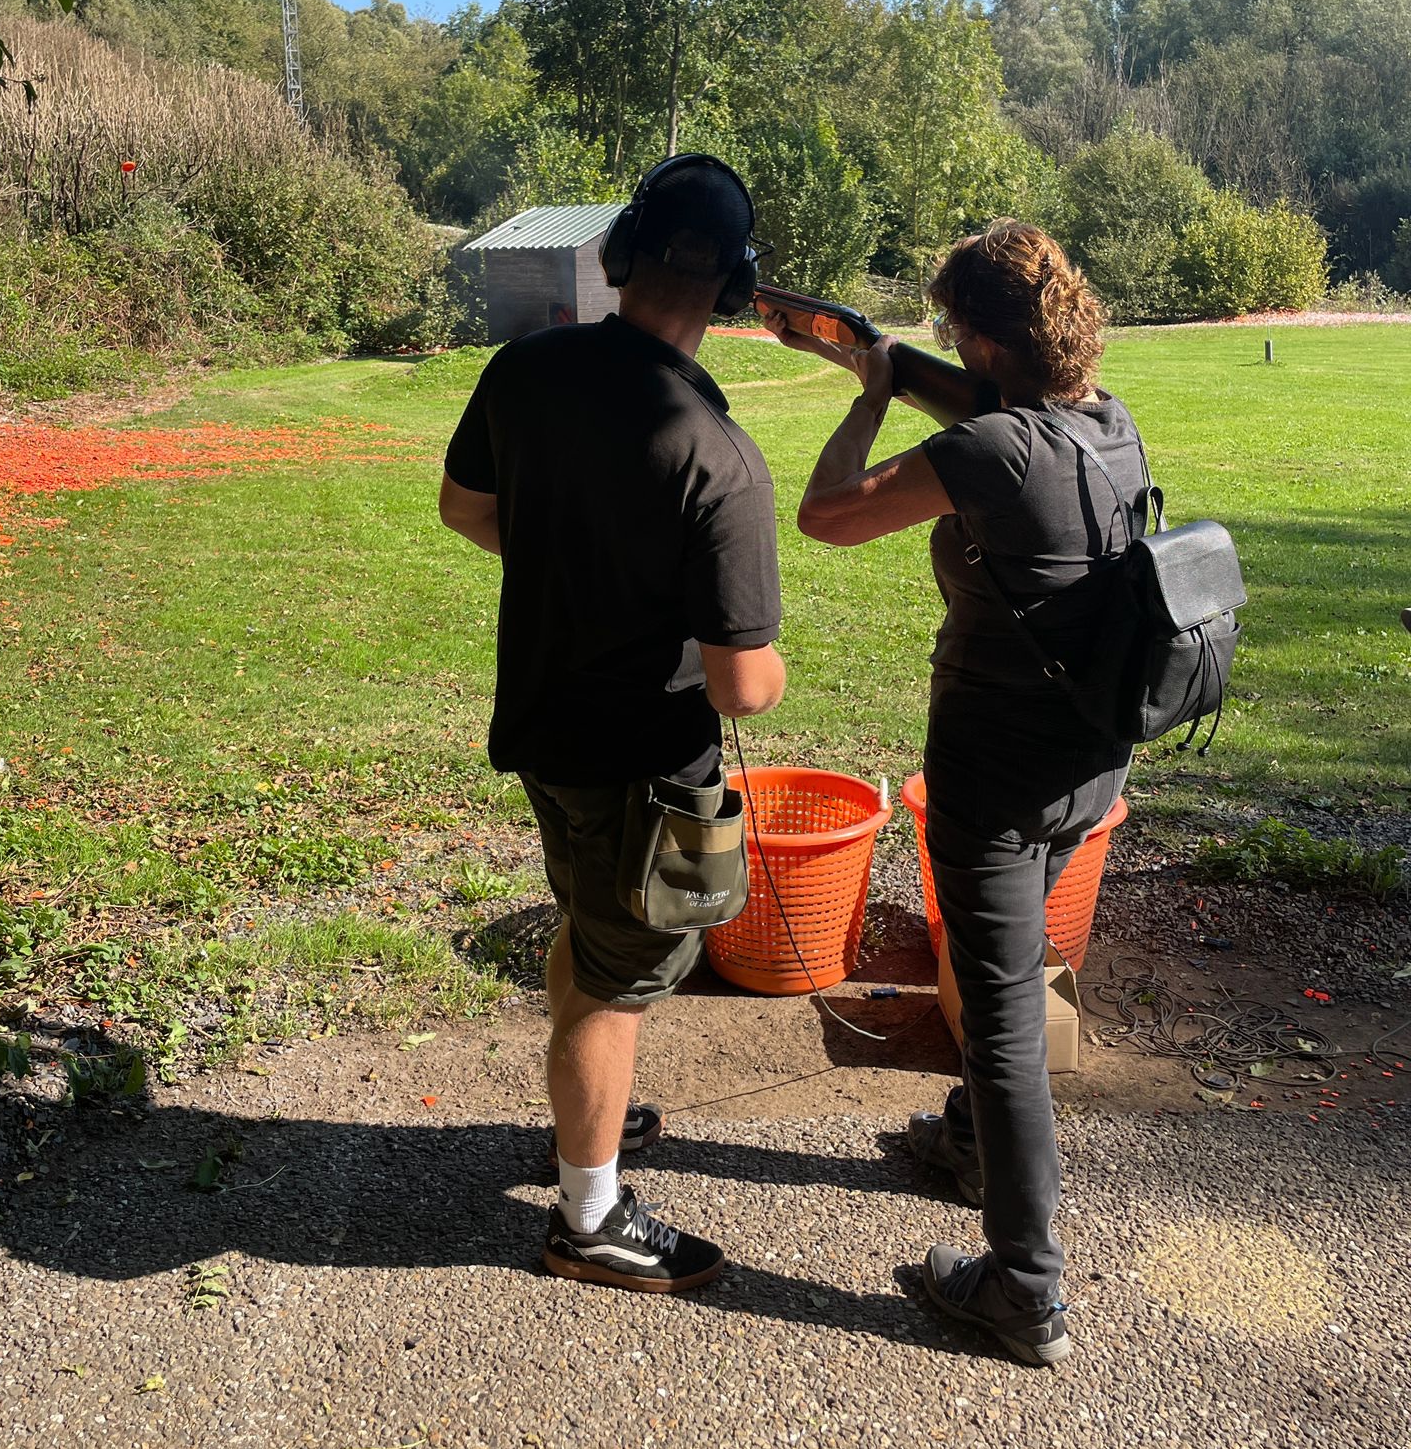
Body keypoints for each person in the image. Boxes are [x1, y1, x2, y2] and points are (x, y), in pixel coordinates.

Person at [769, 221, 1142, 1367]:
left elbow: (826, 513)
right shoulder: (1106, 422)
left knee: (1002, 1015)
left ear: (981, 341)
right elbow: (990, 415)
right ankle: (976, 1141)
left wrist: (871, 394)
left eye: (951, 335)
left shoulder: (991, 452)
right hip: (1087, 764)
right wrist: (869, 350)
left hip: (997, 780)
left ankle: (1025, 1286)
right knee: (1012, 970)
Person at [439, 155, 786, 1295]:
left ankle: (582, 1123)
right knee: (618, 975)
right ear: (733, 289)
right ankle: (589, 1217)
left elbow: (467, 507)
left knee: (587, 928)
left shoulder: (525, 367)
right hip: (644, 764)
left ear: (623, 253)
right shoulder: (720, 455)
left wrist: (567, 565)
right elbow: (743, 687)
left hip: (541, 728)